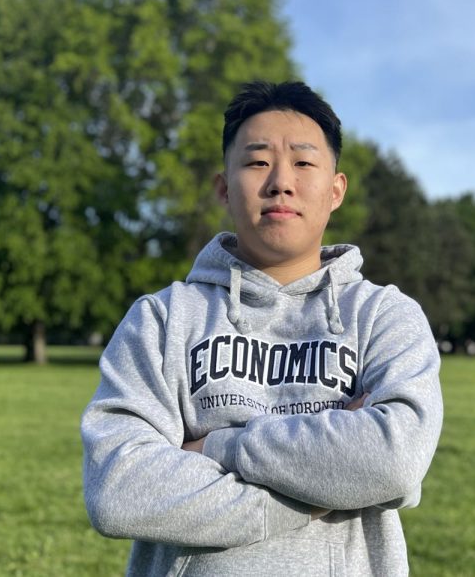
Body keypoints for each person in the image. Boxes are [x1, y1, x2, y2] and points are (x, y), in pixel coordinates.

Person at [81, 80, 444, 576]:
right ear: (224, 189)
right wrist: (315, 493)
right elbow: (120, 489)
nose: (280, 182)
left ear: (336, 190)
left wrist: (216, 446)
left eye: (303, 162)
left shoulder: (384, 316)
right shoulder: (162, 319)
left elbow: (393, 459)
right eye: (256, 162)